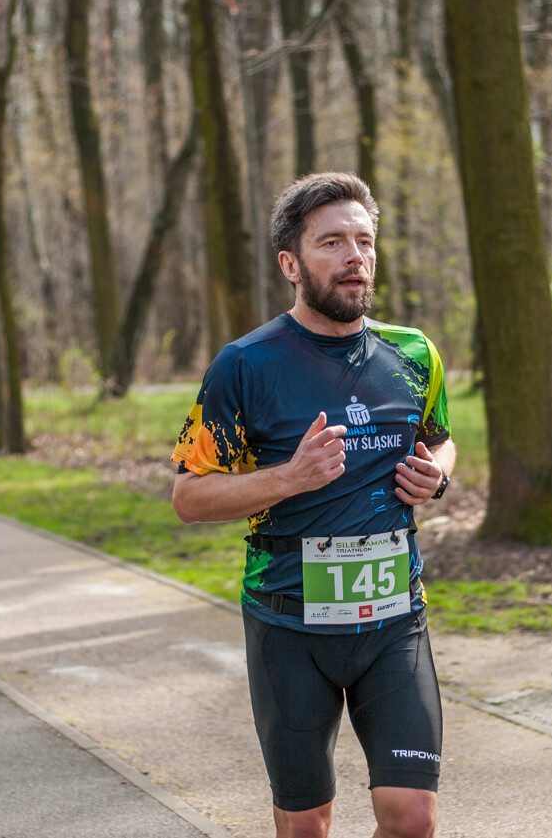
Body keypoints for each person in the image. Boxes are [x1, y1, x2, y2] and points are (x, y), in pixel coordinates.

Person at [171, 171, 456, 838]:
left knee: (412, 817)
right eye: (332, 242)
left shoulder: (413, 353)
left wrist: (434, 476)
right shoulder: (245, 365)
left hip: (395, 620)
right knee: (306, 826)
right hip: (289, 626)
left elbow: (442, 444)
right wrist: (288, 478)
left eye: (364, 240)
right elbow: (188, 495)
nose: (354, 256)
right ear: (290, 263)